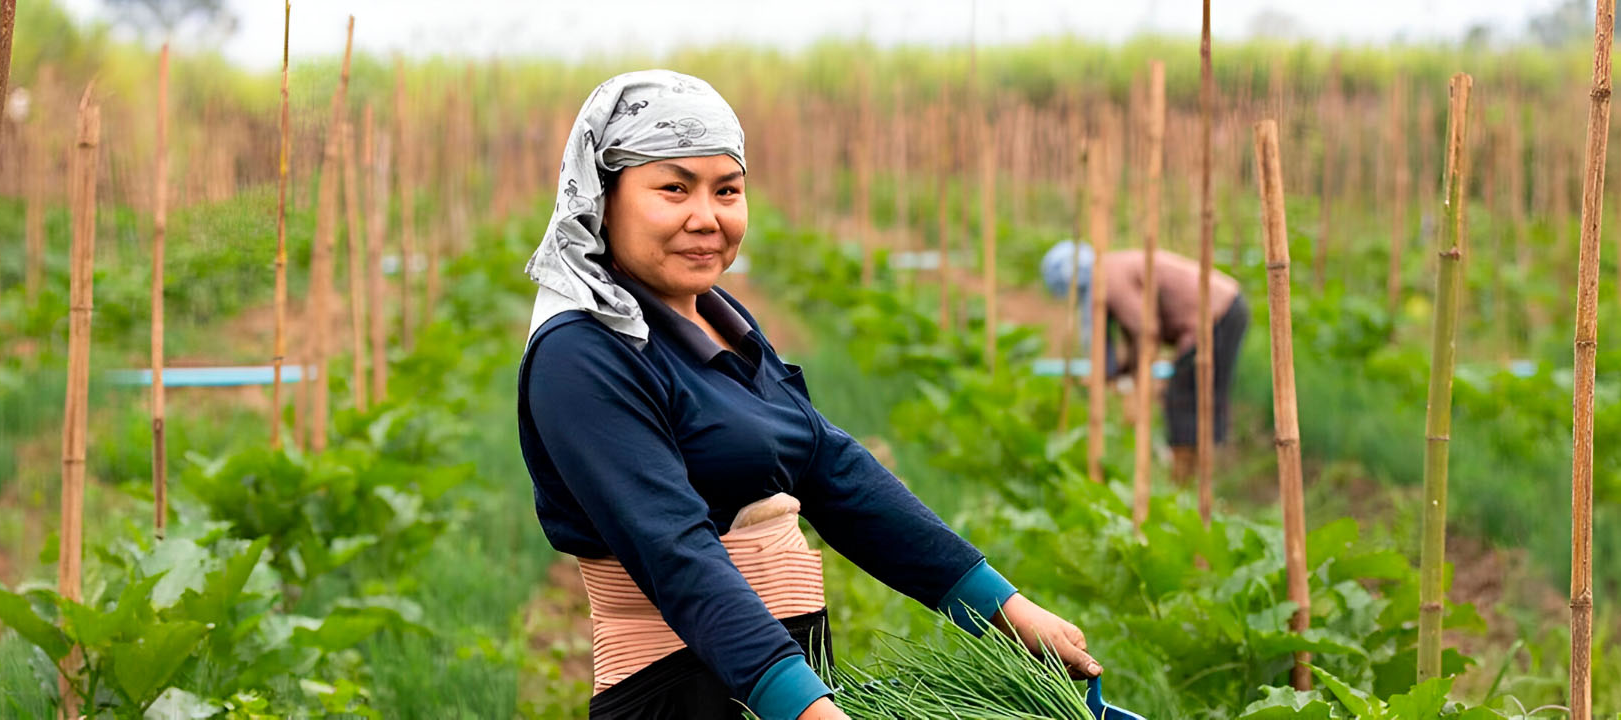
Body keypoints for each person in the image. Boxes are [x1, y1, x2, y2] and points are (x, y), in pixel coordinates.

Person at [517, 70, 1101, 720]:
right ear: (604, 197)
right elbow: (674, 552)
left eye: (727, 190)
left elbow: (828, 466)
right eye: (673, 188)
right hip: (684, 693)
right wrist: (806, 709)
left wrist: (1005, 609)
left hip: (782, 683)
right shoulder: (581, 354)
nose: (706, 217)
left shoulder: (715, 315)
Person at [1041, 240, 1248, 483]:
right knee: (1193, 396)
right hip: (1223, 306)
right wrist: (1125, 369)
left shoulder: (1108, 278)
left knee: (1184, 398)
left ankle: (1189, 479)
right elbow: (1135, 334)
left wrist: (1141, 384)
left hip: (1216, 314)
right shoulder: (1110, 269)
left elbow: (1146, 329)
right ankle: (1195, 475)